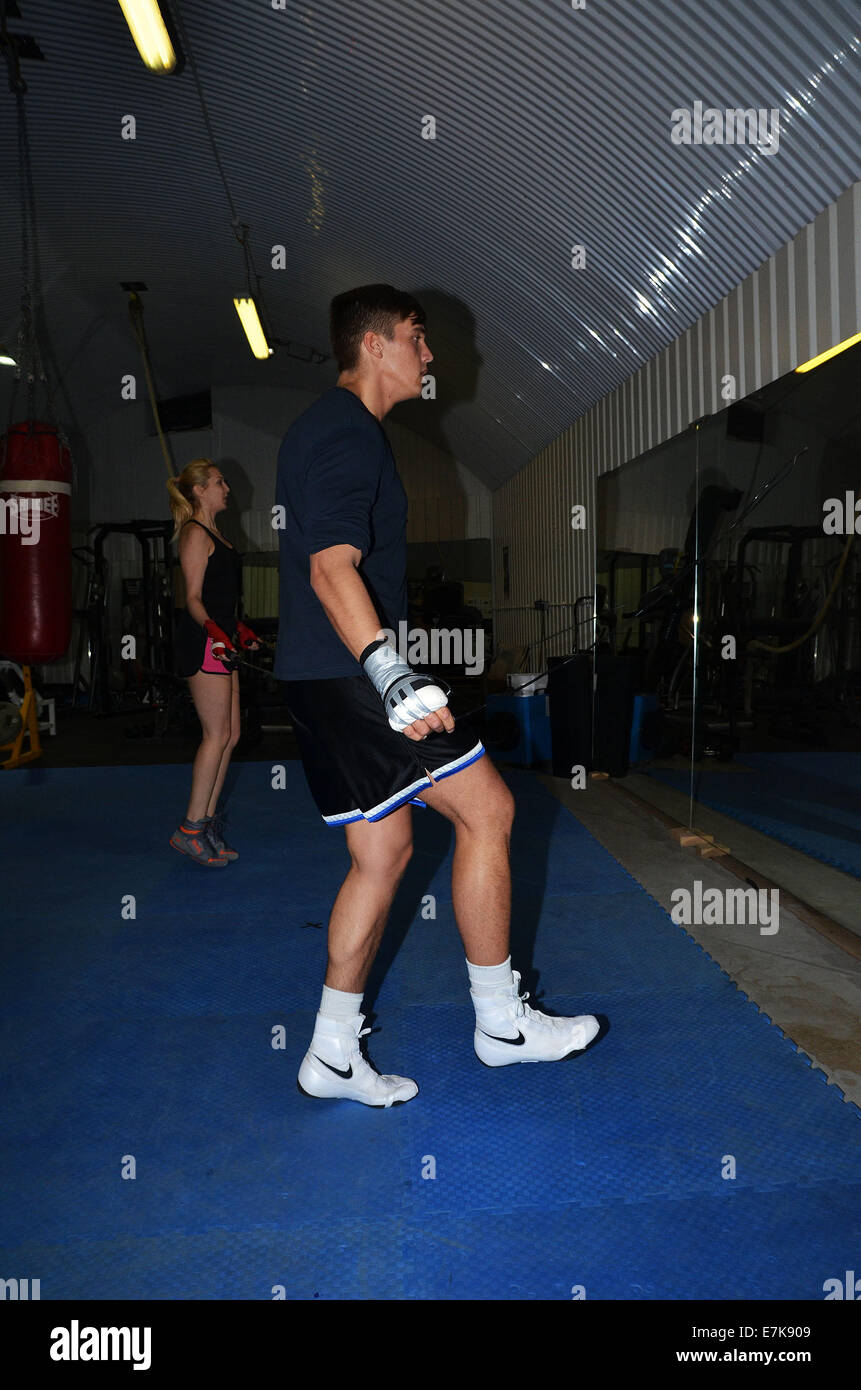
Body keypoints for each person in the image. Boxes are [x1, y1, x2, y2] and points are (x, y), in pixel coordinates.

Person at [275, 284, 602, 1107]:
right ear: (376, 345)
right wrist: (389, 671)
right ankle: (502, 1025)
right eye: (418, 339)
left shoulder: (330, 429)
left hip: (319, 677)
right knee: (487, 812)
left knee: (380, 855)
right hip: (349, 676)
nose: (430, 356)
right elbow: (329, 568)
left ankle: (330, 1054)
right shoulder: (348, 432)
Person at [167, 458, 261, 866]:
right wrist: (218, 633)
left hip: (220, 640)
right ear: (200, 490)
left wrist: (238, 629)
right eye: (220, 482)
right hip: (203, 641)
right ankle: (189, 829)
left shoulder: (219, 536)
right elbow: (191, 598)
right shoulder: (193, 533)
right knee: (215, 734)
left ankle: (204, 824)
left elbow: (219, 599)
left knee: (231, 734)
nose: (227, 488)